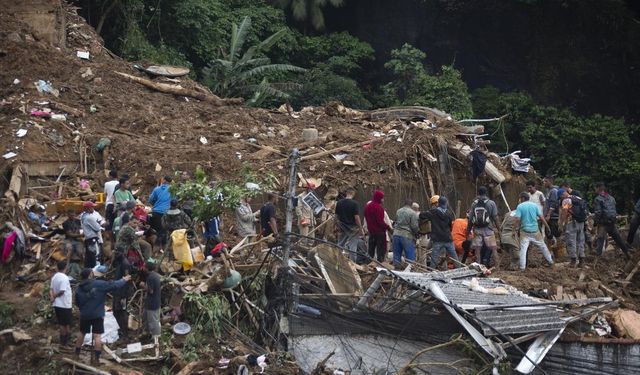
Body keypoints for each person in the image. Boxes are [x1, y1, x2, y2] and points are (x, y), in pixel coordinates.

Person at [75, 268, 130, 364]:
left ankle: (76, 354)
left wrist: (83, 310)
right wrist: (124, 280)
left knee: (82, 333)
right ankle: (96, 359)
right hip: (97, 314)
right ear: (90, 275)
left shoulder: (79, 288)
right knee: (97, 336)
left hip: (85, 314)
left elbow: (77, 303)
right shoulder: (99, 284)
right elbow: (114, 285)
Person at [514, 192, 554, 270]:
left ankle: (522, 268)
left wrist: (514, 230)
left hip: (525, 231)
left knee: (523, 250)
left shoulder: (520, 206)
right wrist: (547, 226)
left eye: (519, 198)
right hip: (535, 231)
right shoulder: (535, 205)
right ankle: (551, 262)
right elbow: (541, 217)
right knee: (543, 247)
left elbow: (517, 220)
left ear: (522, 198)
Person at [593, 182, 631, 259]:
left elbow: (598, 212)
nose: (595, 190)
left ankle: (597, 259)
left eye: (595, 188)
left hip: (604, 223)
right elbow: (614, 209)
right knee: (618, 239)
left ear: (598, 188)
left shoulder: (598, 199)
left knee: (600, 239)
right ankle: (628, 253)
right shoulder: (611, 197)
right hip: (612, 222)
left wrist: (596, 222)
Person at [466, 186, 500, 267]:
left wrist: (468, 231)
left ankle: (478, 267)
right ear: (486, 193)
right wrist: (499, 229)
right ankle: (498, 268)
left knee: (477, 250)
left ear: (478, 193)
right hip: (488, 229)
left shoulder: (474, 204)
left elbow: (470, 219)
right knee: (493, 249)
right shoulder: (491, 203)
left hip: (477, 229)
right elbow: (495, 217)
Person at [421, 196, 458, 269]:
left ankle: (431, 271)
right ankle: (460, 270)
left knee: (434, 257)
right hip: (448, 239)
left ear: (438, 204)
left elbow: (421, 215)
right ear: (446, 203)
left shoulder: (433, 212)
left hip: (437, 240)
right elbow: (450, 226)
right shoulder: (449, 213)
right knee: (454, 257)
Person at [559, 188, 587, 266]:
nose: (561, 199)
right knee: (581, 240)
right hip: (581, 222)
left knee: (571, 241)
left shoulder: (566, 200)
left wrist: (561, 224)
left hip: (572, 222)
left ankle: (573, 260)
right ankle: (581, 260)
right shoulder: (578, 198)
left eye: (560, 197)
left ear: (562, 195)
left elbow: (564, 212)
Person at [335, 188, 365, 261]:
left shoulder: (339, 203)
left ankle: (336, 261)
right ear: (353, 194)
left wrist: (336, 226)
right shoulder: (355, 204)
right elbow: (356, 218)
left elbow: (336, 216)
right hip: (353, 229)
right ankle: (353, 263)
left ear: (346, 193)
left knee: (340, 244)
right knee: (352, 247)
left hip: (342, 227)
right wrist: (361, 229)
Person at [365, 190, 392, 263]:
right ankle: (380, 267)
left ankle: (369, 265)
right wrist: (388, 228)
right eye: (382, 198)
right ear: (379, 198)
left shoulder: (367, 207)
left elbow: (367, 220)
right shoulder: (379, 208)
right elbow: (380, 222)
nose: (383, 200)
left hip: (371, 233)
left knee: (370, 252)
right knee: (380, 252)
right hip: (380, 233)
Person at [392, 199, 420, 267]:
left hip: (396, 235)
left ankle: (396, 271)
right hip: (406, 236)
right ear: (411, 205)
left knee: (396, 255)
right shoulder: (412, 213)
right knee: (410, 256)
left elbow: (395, 222)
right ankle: (410, 271)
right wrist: (417, 234)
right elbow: (414, 227)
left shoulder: (398, 211)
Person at [51, 261, 72, 346]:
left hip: (57, 304)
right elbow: (62, 291)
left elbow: (51, 288)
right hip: (64, 304)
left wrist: (52, 296)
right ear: (65, 268)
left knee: (62, 323)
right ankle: (65, 342)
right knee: (64, 324)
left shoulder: (54, 277)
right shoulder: (64, 278)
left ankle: (65, 340)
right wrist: (55, 296)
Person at [148, 176, 173, 249]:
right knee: (163, 231)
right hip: (167, 212)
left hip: (156, 212)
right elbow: (175, 201)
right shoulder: (172, 190)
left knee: (160, 231)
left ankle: (158, 248)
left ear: (164, 180)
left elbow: (151, 200)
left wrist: (156, 204)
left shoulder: (157, 189)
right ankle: (160, 248)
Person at [111, 248, 131, 338]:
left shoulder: (125, 263)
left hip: (122, 294)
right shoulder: (119, 261)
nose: (116, 254)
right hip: (117, 292)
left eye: (118, 252)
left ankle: (125, 333)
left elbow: (127, 278)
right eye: (115, 252)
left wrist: (123, 293)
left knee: (122, 312)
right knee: (116, 311)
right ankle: (121, 329)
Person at [140, 261, 162, 338]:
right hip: (150, 302)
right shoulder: (154, 275)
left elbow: (151, 291)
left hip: (153, 303)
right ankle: (146, 332)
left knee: (154, 321)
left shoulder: (151, 277)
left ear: (147, 268)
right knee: (145, 317)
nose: (143, 268)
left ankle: (156, 337)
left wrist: (143, 286)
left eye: (144, 267)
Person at [80, 201, 104, 268]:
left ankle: (89, 271)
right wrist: (101, 226)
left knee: (89, 257)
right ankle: (96, 273)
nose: (93, 208)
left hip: (87, 239)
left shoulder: (83, 216)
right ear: (88, 208)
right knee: (96, 256)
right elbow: (97, 228)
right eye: (92, 207)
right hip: (92, 239)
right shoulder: (89, 218)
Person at [543, 176, 561, 244]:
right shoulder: (548, 191)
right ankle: (551, 252)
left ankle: (556, 251)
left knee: (553, 234)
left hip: (553, 217)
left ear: (550, 182)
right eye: (544, 181)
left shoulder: (554, 191)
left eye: (546, 181)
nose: (544, 183)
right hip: (549, 217)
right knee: (548, 234)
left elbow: (553, 204)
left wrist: (548, 215)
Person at [104, 170, 119, 239]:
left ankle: (110, 239)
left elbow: (105, 194)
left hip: (109, 204)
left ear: (110, 176)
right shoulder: (120, 183)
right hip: (118, 205)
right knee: (117, 222)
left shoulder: (107, 184)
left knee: (109, 222)